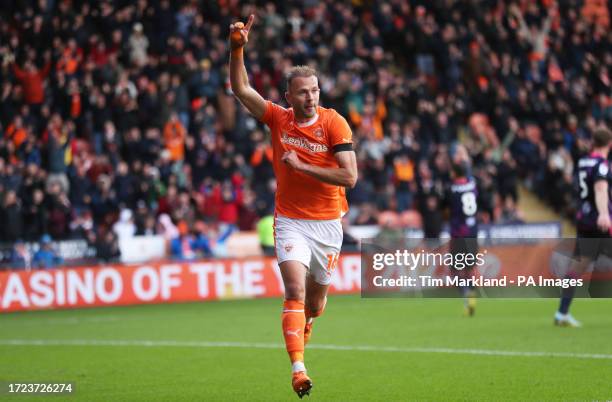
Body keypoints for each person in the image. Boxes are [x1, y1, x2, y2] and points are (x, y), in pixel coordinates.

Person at [229, 15, 357, 398]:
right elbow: (241, 89)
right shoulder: (278, 119)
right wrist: (237, 49)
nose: (310, 98)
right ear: (289, 97)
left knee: (316, 306)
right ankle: (298, 370)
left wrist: (303, 165)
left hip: (328, 224)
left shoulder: (335, 124)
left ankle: (306, 325)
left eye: (315, 91)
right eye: (302, 92)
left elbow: (349, 177)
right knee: (295, 291)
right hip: (290, 222)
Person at [555, 128, 612, 327]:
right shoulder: (602, 164)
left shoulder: (582, 161)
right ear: (609, 143)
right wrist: (604, 213)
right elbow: (600, 188)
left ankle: (562, 312)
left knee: (579, 264)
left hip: (583, 218)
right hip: (599, 221)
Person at [447, 145, 479, 316]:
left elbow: (446, 208)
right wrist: (463, 154)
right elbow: (467, 170)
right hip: (473, 231)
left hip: (459, 233)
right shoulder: (472, 183)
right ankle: (472, 299)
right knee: (470, 268)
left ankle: (466, 296)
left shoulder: (452, 189)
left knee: (455, 269)